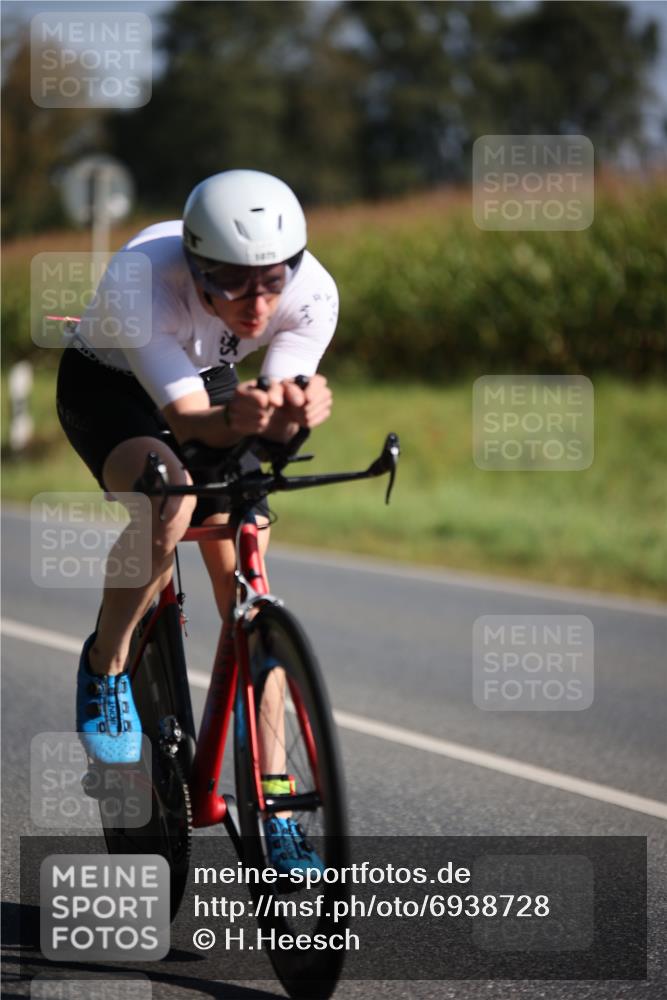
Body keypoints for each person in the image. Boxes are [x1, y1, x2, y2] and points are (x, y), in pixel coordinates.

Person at [56, 169, 338, 872]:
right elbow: (185, 421)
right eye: (232, 281)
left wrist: (292, 412)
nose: (256, 301)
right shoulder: (141, 280)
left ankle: (274, 800)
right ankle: (106, 666)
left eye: (271, 279)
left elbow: (277, 398)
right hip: (112, 386)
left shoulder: (313, 293)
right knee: (171, 499)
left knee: (249, 562)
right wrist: (243, 416)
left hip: (206, 379)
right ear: (194, 261)